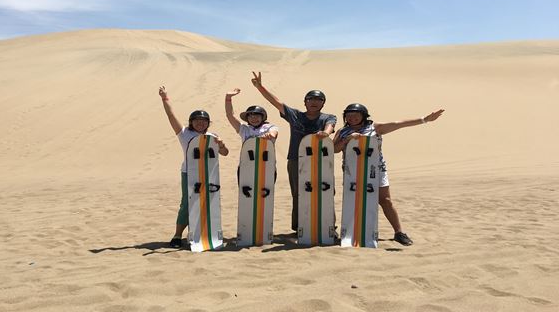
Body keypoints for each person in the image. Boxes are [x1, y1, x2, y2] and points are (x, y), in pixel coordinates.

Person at [333, 103, 445, 246]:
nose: (352, 118)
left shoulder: (375, 128)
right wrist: (347, 139)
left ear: (363, 116)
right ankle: (351, 233)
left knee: (385, 200)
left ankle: (399, 232)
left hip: (376, 170)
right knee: (353, 202)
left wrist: (425, 119)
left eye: (356, 115)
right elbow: (334, 149)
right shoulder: (342, 131)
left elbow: (399, 124)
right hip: (352, 172)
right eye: (349, 115)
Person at [250, 71, 337, 232]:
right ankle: (299, 227)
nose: (314, 102)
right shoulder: (295, 115)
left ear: (323, 103)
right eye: (311, 99)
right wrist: (260, 87)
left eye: (319, 100)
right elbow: (276, 102)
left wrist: (326, 132)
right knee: (298, 193)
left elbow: (330, 126)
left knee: (326, 191)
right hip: (296, 160)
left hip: (321, 161)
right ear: (305, 102)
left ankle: (329, 226)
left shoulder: (327, 117)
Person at [158, 86, 229, 248]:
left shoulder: (213, 136)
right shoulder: (184, 133)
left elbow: (224, 153)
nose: (200, 123)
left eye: (203, 121)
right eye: (196, 120)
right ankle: (177, 236)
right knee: (187, 204)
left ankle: (202, 233)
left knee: (208, 202)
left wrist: (222, 145)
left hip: (209, 174)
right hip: (188, 174)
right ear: (191, 122)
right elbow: (171, 115)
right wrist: (165, 98)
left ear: (208, 123)